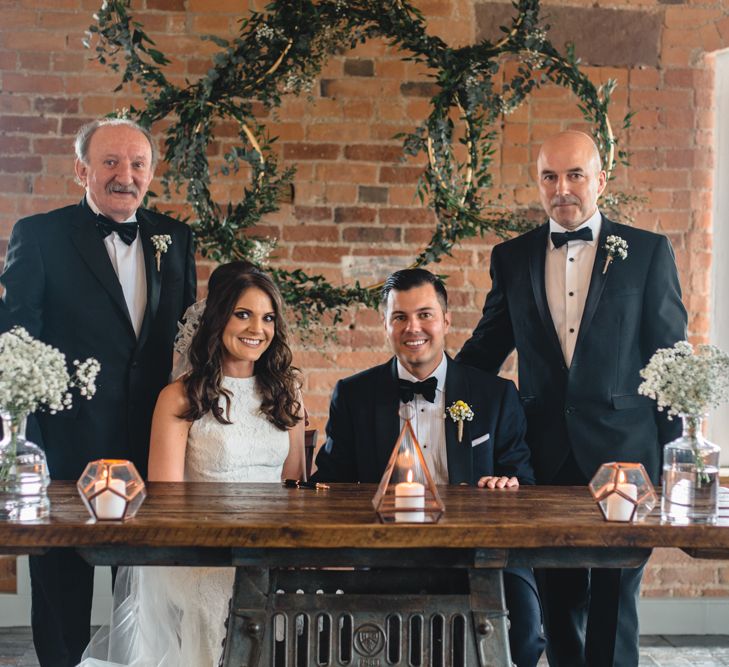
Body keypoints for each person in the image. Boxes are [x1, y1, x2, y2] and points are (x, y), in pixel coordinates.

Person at [457, 130, 688, 667]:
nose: (562, 189)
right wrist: (433, 389)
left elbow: (670, 364)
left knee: (615, 602)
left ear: (601, 180)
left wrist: (676, 462)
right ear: (539, 183)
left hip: (627, 458)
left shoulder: (648, 253)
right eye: (549, 177)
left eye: (575, 175)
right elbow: (486, 349)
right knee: (555, 603)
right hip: (544, 453)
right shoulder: (511, 258)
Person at [0, 117, 196, 667]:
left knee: (146, 596)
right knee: (62, 596)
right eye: (110, 162)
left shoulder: (174, 239)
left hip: (152, 451)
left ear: (152, 173)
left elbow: (187, 346)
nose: (124, 175)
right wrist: (30, 454)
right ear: (81, 169)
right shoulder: (39, 235)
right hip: (66, 450)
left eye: (137, 164)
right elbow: (13, 343)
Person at [313, 268, 546, 667]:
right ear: (384, 325)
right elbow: (331, 482)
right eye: (399, 317)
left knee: (523, 621)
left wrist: (508, 485)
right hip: (386, 554)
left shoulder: (495, 395)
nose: (412, 328)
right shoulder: (353, 395)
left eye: (425, 315)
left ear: (446, 320)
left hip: (480, 553)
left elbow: (522, 479)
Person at [79, 262, 306, 666]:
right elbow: (165, 500)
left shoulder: (287, 395)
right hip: (199, 552)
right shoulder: (180, 398)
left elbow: (294, 484)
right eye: (243, 314)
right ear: (218, 318)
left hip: (270, 549)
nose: (258, 328)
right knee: (220, 595)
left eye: (268, 317)